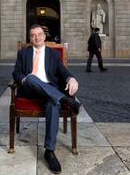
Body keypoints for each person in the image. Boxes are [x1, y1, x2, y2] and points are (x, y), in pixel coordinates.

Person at [12, 24, 81, 174]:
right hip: (30, 89)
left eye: (39, 34)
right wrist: (23, 80)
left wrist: (71, 78)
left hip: (50, 90)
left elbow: (62, 70)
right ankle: (65, 99)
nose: (36, 37)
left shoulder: (53, 54)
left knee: (53, 103)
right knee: (30, 77)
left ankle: (49, 151)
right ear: (30, 38)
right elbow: (16, 72)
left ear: (44, 36)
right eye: (33, 35)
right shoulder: (23, 53)